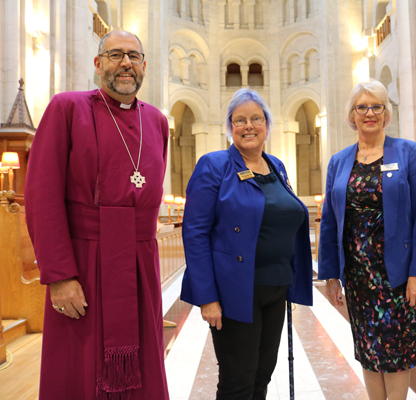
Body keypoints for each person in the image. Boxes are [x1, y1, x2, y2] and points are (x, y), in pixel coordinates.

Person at [25, 30, 170, 399]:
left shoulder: (156, 121)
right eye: (115, 55)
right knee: (81, 367)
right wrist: (59, 275)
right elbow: (42, 196)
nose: (125, 63)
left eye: (134, 56)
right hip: (84, 261)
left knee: (143, 365)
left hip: (140, 263)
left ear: (144, 66)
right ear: (98, 63)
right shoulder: (67, 108)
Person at [180, 88, 313, 399]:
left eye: (256, 118)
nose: (248, 126)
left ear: (267, 124)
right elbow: (195, 232)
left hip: (276, 287)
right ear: (230, 126)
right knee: (237, 381)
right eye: (240, 120)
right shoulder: (214, 165)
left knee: (262, 375)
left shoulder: (277, 166)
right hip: (235, 290)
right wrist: (207, 297)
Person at [318, 79, 416, 400]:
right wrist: (331, 275)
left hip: (398, 274)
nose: (369, 113)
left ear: (386, 114)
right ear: (351, 115)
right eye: (362, 107)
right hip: (357, 275)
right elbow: (330, 221)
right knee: (367, 346)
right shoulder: (339, 161)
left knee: (397, 350)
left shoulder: (409, 153)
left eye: (376, 106)